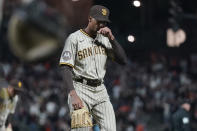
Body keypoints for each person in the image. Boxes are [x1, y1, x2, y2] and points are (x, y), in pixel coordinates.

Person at [59, 5, 127, 131]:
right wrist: (73, 94)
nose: (102, 24)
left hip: (100, 90)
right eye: (99, 20)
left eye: (104, 22)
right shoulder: (74, 38)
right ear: (90, 19)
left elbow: (123, 60)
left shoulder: (105, 39)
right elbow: (65, 68)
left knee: (111, 129)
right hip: (80, 88)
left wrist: (112, 39)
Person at [0, 65, 24, 131]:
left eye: (18, 91)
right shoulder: (2, 93)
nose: (16, 93)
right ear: (10, 87)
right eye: (15, 90)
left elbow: (10, 113)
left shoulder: (15, 98)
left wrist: (9, 125)